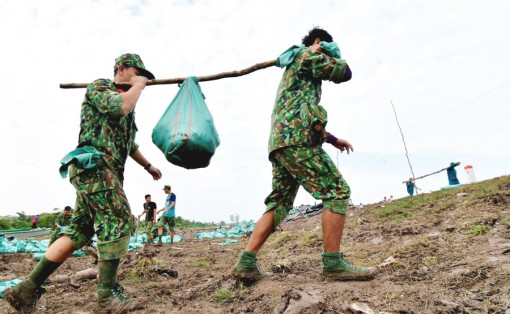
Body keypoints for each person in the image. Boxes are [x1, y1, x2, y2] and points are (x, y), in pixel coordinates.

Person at [5, 53, 162, 313]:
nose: (141, 77)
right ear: (121, 68)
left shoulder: (128, 101)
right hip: (94, 166)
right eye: (137, 72)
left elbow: (129, 143)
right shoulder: (101, 87)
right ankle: (106, 295)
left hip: (101, 172)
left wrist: (148, 166)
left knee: (80, 230)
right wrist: (139, 86)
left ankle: (25, 289)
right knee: (118, 218)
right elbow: (119, 107)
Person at [233, 27, 377, 282]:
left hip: (281, 143)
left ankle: (246, 262)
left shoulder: (296, 67)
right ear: (319, 42)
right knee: (336, 191)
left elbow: (301, 112)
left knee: (279, 202)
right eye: (328, 48)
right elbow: (345, 73)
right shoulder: (307, 56)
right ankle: (333, 264)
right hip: (298, 141)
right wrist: (329, 53)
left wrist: (331, 139)